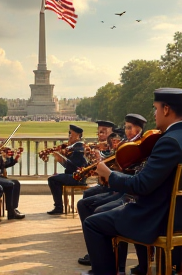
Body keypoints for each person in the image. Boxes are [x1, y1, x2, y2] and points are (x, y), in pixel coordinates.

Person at [83, 87, 182, 275]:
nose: (154, 114)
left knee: (92, 224)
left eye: (155, 108)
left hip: (157, 218)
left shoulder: (169, 141)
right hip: (177, 216)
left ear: (166, 109)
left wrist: (109, 174)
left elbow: (141, 185)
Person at [77, 114, 147, 273]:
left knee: (99, 211)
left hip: (128, 192)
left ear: (139, 129)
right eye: (126, 127)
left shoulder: (138, 146)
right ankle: (99, 256)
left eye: (130, 128)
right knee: (86, 204)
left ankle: (116, 265)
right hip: (124, 189)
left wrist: (109, 167)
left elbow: (132, 173)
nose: (127, 131)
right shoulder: (127, 145)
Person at [47, 124, 88, 215]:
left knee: (52, 179)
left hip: (77, 177)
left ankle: (59, 207)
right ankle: (60, 205)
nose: (69, 137)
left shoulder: (79, 147)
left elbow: (74, 166)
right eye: (69, 134)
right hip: (74, 175)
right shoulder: (74, 146)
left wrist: (60, 158)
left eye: (71, 134)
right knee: (55, 178)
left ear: (78, 136)